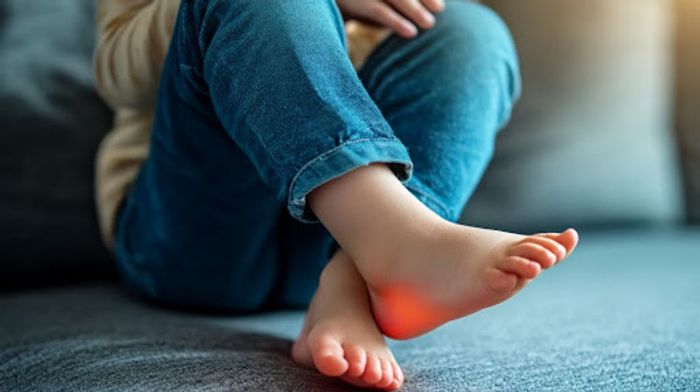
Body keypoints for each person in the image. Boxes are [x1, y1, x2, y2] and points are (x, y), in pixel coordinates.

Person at [94, 0, 579, 390]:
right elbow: (117, 70)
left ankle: (357, 280)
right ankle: (399, 248)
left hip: (333, 241)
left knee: (470, 33)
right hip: (191, 234)